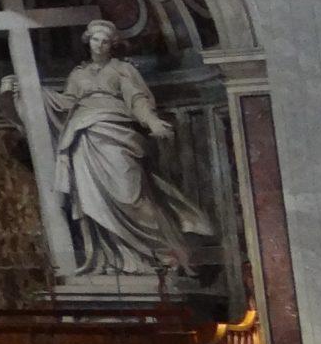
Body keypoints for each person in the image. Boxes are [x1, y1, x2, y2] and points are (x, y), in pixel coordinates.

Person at [36, 19, 213, 275]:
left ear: (112, 45)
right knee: (93, 200)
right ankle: (113, 258)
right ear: (89, 41)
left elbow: (138, 100)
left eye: (106, 40)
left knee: (131, 196)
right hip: (84, 139)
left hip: (117, 135)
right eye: (96, 39)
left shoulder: (123, 70)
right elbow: (65, 104)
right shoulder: (78, 74)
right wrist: (34, 91)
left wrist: (153, 122)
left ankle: (163, 250)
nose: (100, 44)